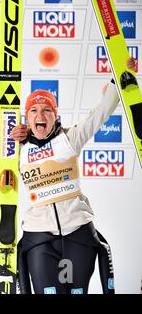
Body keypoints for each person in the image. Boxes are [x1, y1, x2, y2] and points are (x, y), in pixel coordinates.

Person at [10, 58, 137, 294]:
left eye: (47, 110)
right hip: (39, 235)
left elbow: (99, 114)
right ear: (27, 118)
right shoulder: (17, 148)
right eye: (34, 111)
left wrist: (119, 74)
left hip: (77, 231)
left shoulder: (69, 139)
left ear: (55, 116)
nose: (41, 115)